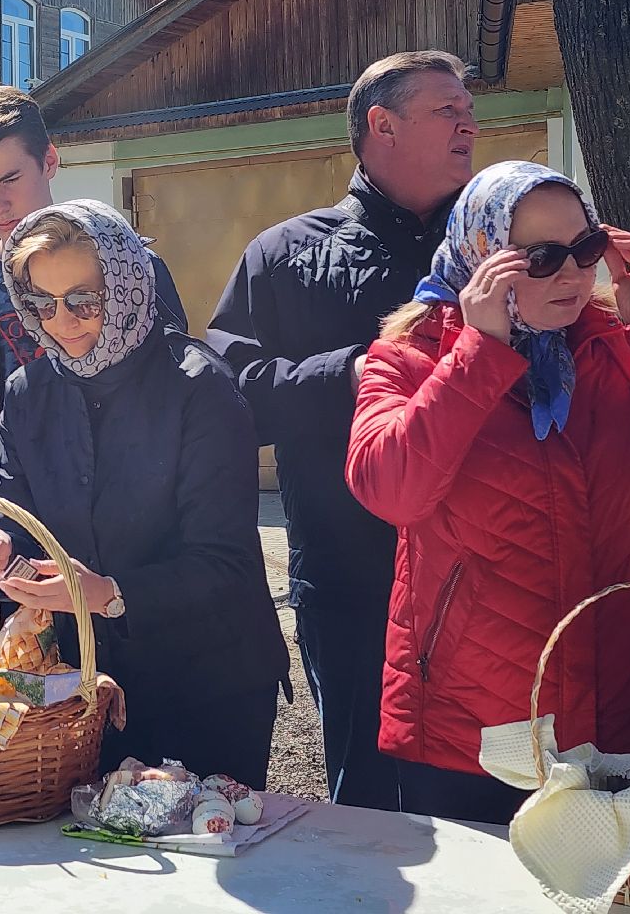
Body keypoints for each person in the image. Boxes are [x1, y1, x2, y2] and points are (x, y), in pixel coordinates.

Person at [346, 160, 630, 824]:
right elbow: (390, 490)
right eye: (542, 257)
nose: (574, 275)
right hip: (477, 718)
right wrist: (479, 354)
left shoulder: (613, 344)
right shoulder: (410, 357)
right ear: (482, 256)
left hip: (617, 703)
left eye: (586, 249)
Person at [207, 50, 476, 810]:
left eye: (469, 111)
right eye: (446, 110)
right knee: (371, 805)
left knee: (496, 799)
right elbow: (231, 400)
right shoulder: (286, 256)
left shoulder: (502, 249)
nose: (468, 124)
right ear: (381, 126)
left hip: (488, 578)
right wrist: (352, 376)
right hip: (354, 578)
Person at [0, 200, 288, 781]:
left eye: (84, 299)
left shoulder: (199, 388)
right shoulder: (27, 393)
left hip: (208, 687)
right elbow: (23, 524)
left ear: (127, 283)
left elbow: (224, 563)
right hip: (87, 685)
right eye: (40, 302)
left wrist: (110, 592)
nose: (63, 320)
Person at [0, 82, 186, 673]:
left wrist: (128, 585)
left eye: (10, 180)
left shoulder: (130, 267)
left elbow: (174, 429)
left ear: (50, 161)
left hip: (114, 569)